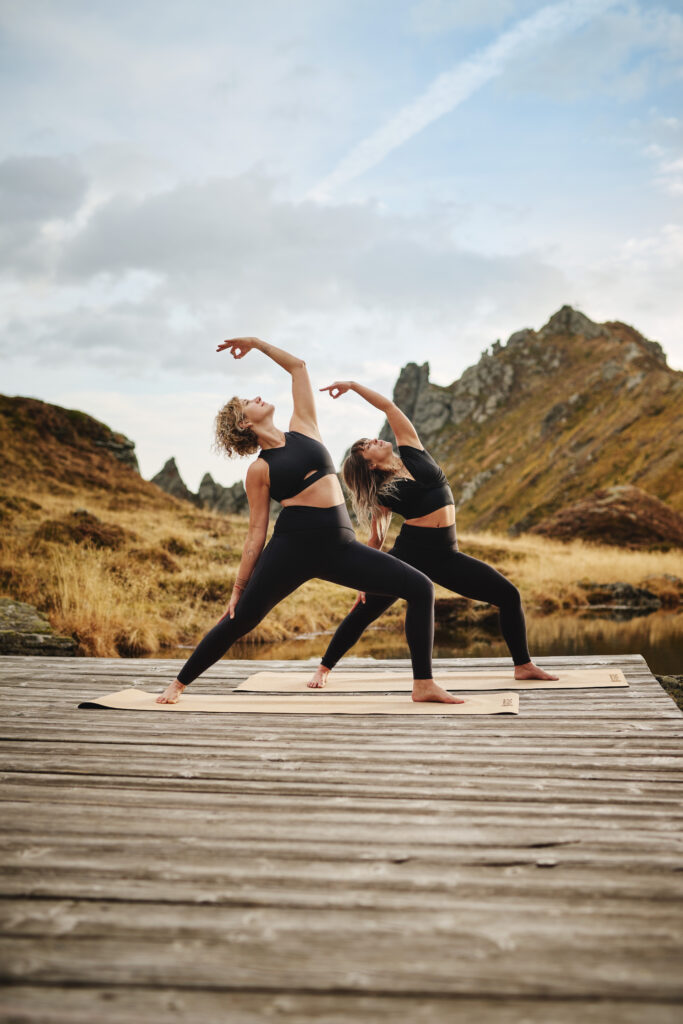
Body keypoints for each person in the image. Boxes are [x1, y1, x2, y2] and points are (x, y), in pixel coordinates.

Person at [157, 339, 462, 705]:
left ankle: (423, 684)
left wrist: (255, 344)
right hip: (292, 549)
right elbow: (256, 532)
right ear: (244, 422)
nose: (256, 397)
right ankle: (177, 684)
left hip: (340, 548)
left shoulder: (303, 427)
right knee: (241, 620)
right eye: (247, 403)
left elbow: (298, 367)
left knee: (420, 587)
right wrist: (239, 587)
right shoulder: (259, 469)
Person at [307, 380, 558, 689]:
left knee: (508, 595)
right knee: (365, 611)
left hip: (446, 555)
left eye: (369, 440)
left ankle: (523, 665)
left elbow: (389, 407)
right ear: (370, 465)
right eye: (366, 446)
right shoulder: (383, 492)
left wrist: (354, 386)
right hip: (411, 555)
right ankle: (323, 668)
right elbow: (377, 536)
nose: (374, 440)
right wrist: (364, 576)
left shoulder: (413, 452)